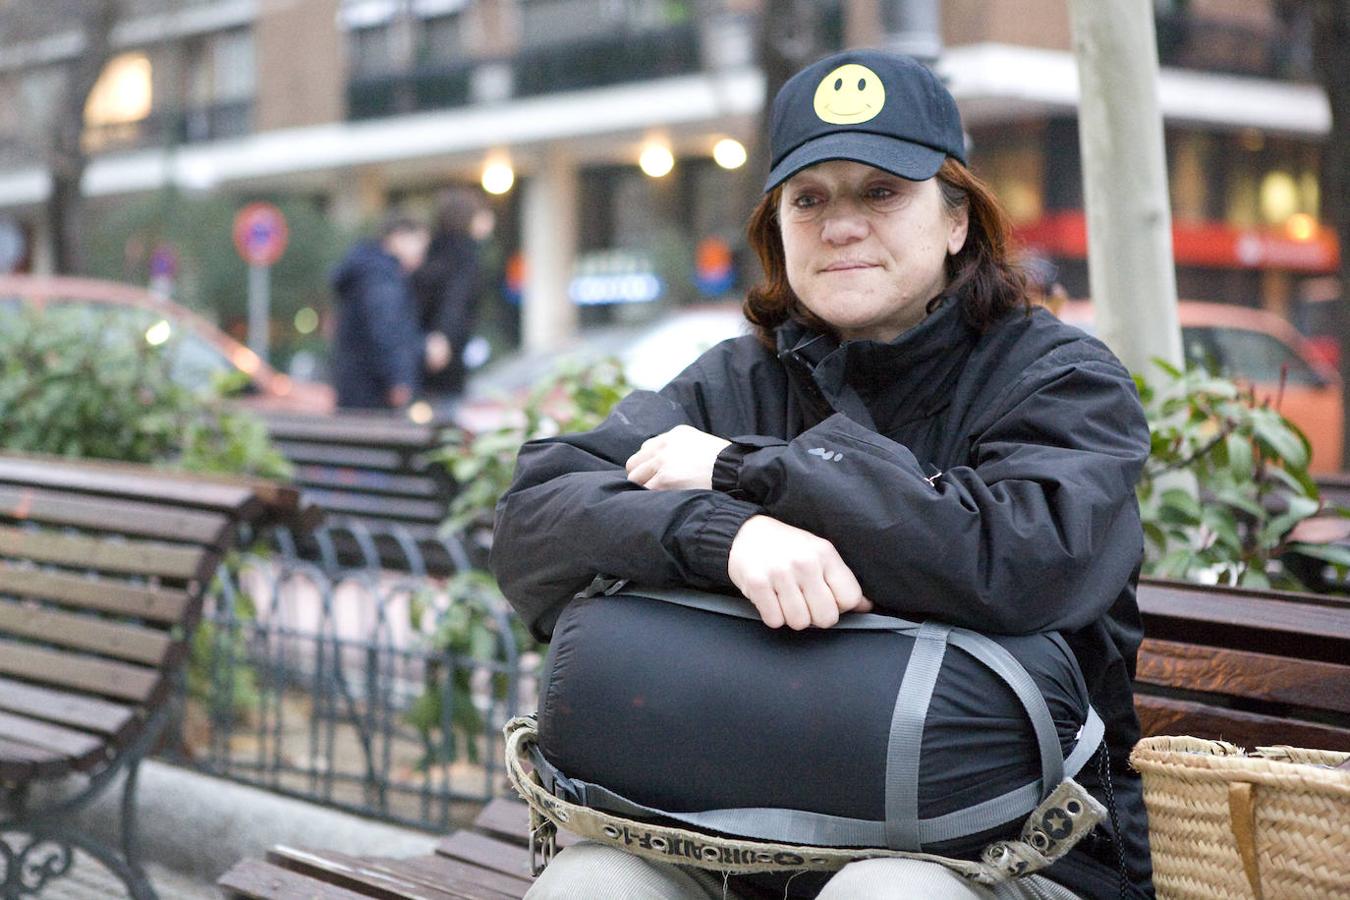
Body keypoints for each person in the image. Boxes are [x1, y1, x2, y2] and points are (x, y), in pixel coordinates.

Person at [492, 49, 1154, 900]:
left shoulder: (1062, 379)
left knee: (884, 895)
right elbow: (536, 517)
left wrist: (744, 469)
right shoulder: (738, 378)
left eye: (881, 192)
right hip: (741, 842)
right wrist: (724, 534)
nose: (840, 225)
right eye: (809, 199)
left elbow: (1017, 560)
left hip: (1016, 848)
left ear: (958, 221)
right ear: (778, 231)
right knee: (592, 885)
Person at [331, 214, 429, 410]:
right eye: (419, 244)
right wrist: (398, 379)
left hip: (356, 386)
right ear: (398, 236)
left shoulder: (368, 269)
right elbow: (385, 330)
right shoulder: (381, 276)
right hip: (373, 391)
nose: (422, 255)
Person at [412, 187, 492, 415]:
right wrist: (443, 337)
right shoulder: (465, 256)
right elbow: (456, 301)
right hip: (446, 361)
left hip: (420, 359)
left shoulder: (430, 252)